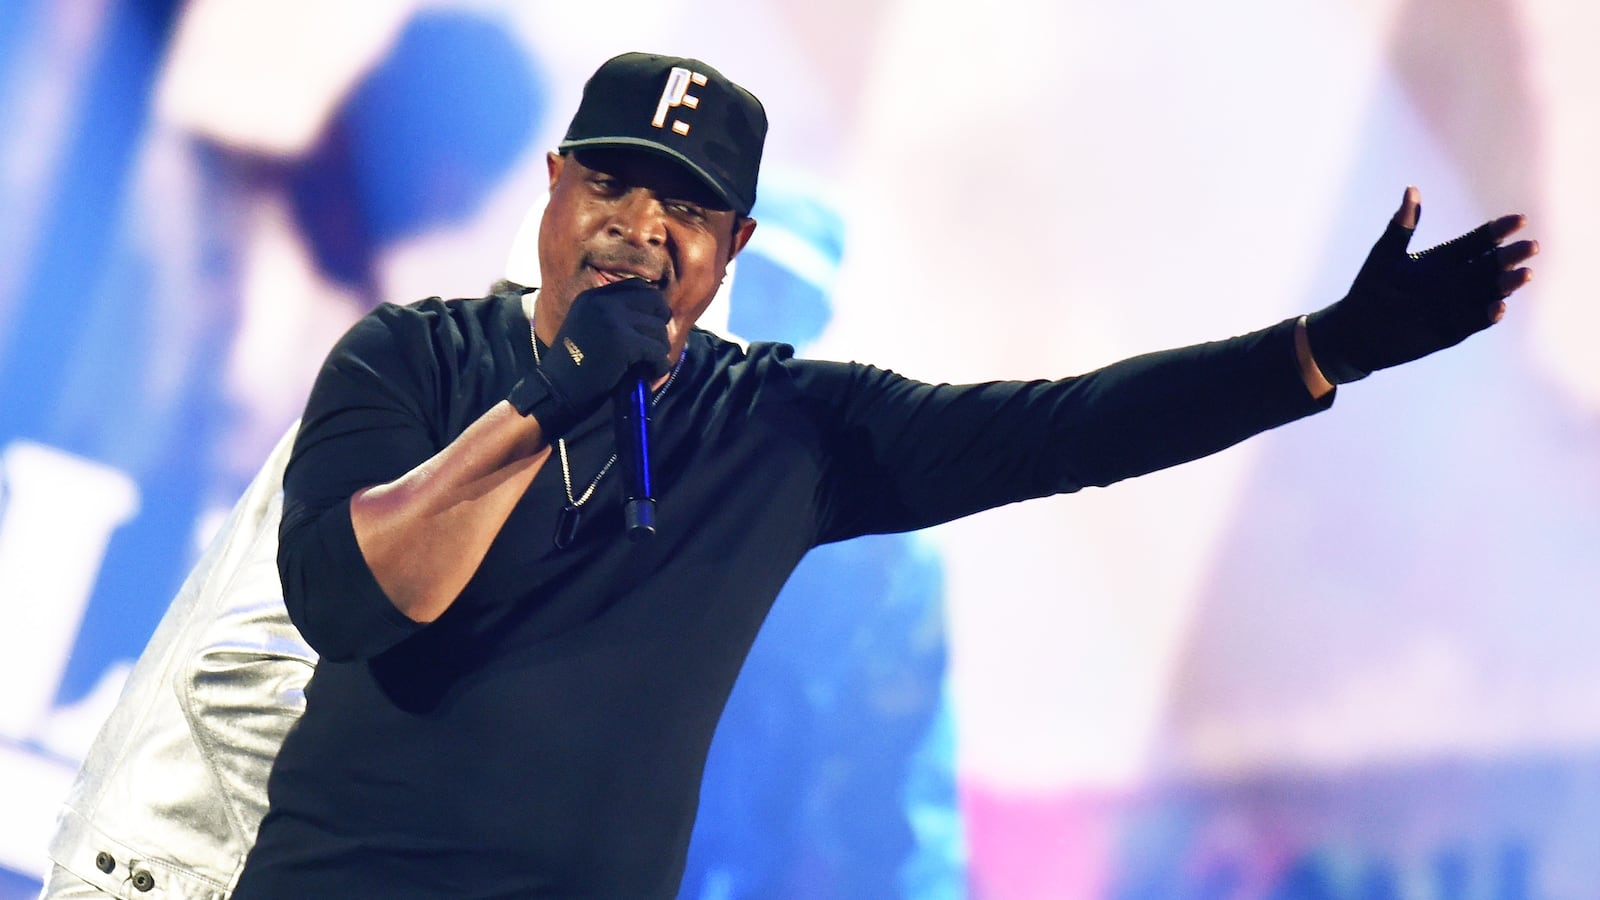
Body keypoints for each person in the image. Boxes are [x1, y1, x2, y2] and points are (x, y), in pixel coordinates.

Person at [227, 50, 1536, 898]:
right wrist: (554, 394)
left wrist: (1317, 354)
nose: (640, 225)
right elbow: (352, 599)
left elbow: (1062, 429)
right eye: (615, 183)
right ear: (556, 187)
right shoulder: (413, 361)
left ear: (730, 244)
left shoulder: (782, 430)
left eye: (684, 206)